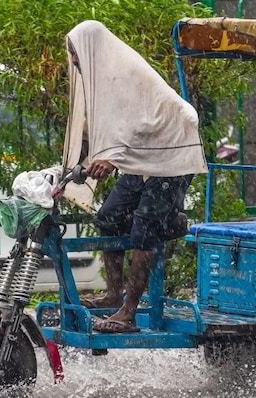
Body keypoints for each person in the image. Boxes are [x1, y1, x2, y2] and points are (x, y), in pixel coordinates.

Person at [63, 20, 208, 333]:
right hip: (142, 157)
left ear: (91, 49)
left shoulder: (123, 71)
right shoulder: (98, 81)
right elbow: (92, 129)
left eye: (76, 53)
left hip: (171, 151)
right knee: (109, 217)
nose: (73, 60)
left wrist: (112, 158)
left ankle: (128, 313)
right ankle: (114, 294)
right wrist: (65, 169)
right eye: (71, 53)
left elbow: (139, 121)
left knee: (144, 228)